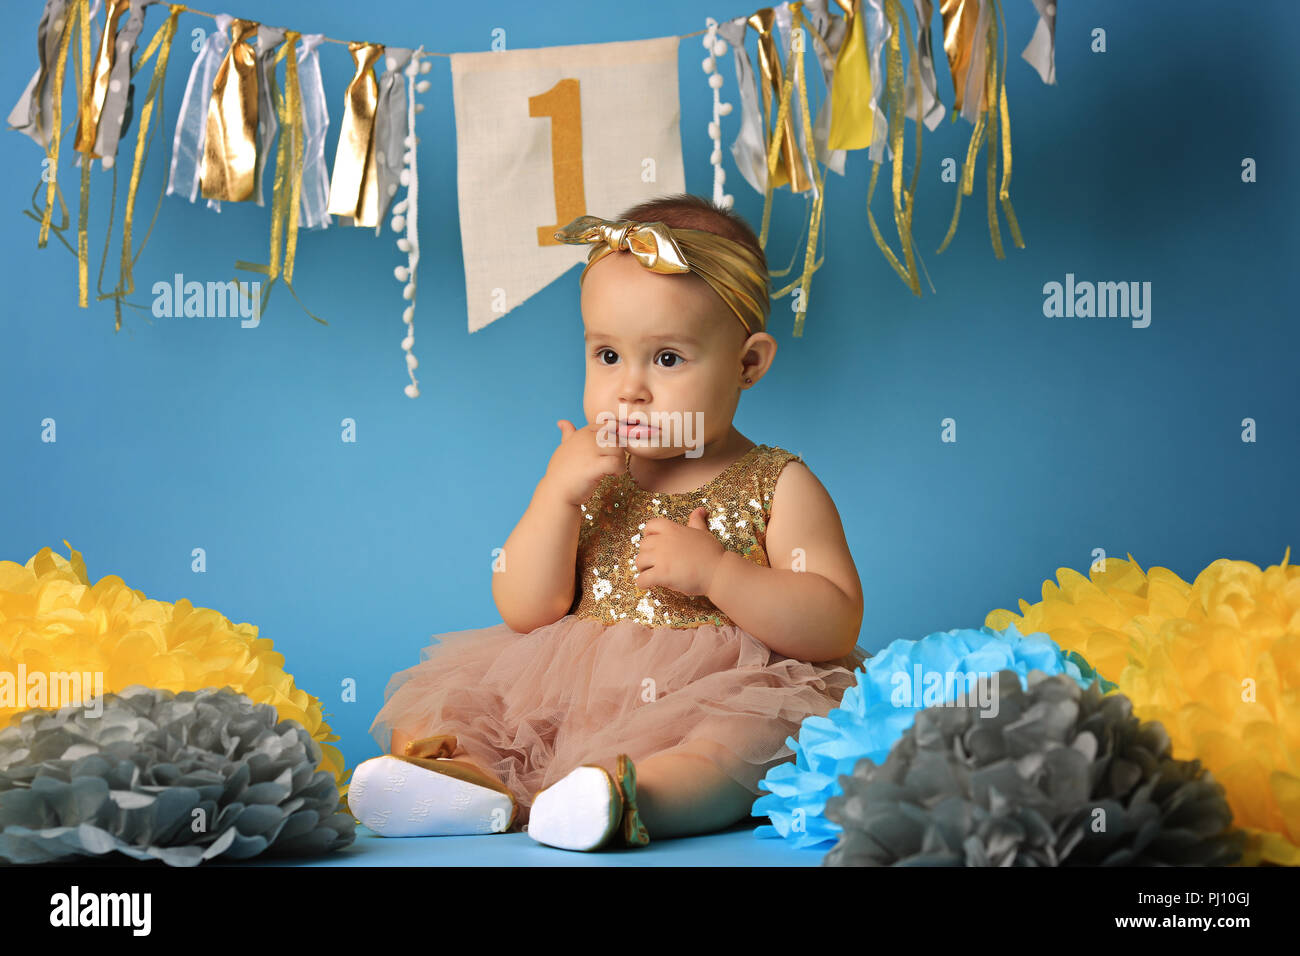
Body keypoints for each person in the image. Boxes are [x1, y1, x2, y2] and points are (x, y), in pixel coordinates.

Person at [349, 193, 868, 851]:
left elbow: (833, 621)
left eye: (668, 359)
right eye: (607, 356)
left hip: (719, 690)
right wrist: (554, 497)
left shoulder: (778, 482)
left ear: (748, 363)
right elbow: (526, 608)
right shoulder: (593, 474)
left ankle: (627, 798)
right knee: (455, 705)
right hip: (567, 686)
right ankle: (464, 783)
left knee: (737, 744)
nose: (630, 390)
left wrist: (720, 573)